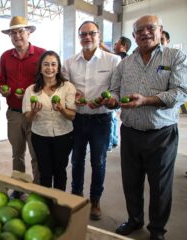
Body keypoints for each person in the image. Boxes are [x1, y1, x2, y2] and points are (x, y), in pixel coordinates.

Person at [102, 15, 187, 240]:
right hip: (130, 132)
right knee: (131, 182)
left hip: (161, 134)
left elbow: (180, 92)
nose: (145, 33)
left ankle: (157, 230)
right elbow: (115, 89)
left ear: (160, 30)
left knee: (160, 186)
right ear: (134, 36)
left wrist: (146, 100)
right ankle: (134, 219)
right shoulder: (126, 63)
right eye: (140, 30)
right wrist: (112, 99)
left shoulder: (174, 56)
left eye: (151, 28)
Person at [62, 20, 121, 220]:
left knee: (99, 161)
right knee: (77, 160)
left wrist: (108, 98)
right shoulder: (69, 62)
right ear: (79, 37)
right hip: (77, 119)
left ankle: (95, 201)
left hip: (101, 119)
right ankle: (76, 197)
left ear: (99, 36)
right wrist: (73, 95)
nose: (87, 37)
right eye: (83, 34)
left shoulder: (113, 61)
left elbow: (116, 90)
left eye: (92, 33)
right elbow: (65, 88)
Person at [0, 16, 46, 186]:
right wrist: (5, 90)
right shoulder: (5, 57)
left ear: (28, 33)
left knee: (37, 154)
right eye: (13, 33)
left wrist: (32, 94)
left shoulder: (41, 54)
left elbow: (49, 80)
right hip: (15, 114)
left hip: (36, 113)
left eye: (20, 31)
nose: (17, 36)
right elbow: (1, 81)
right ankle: (18, 188)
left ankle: (39, 189)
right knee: (17, 154)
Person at [22, 50, 76, 190]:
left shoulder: (68, 87)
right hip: (40, 136)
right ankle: (46, 204)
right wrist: (34, 111)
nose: (49, 68)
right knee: (44, 172)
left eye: (53, 64)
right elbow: (28, 118)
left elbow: (72, 115)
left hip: (63, 135)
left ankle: (59, 204)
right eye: (46, 64)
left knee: (60, 171)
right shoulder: (31, 90)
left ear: (58, 68)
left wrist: (62, 109)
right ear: (40, 68)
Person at [107, 36, 132, 152]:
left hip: (116, 94)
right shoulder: (127, 58)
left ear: (123, 46)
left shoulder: (119, 58)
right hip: (118, 94)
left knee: (111, 118)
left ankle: (111, 141)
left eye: (116, 43)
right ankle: (115, 140)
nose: (114, 45)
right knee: (114, 118)